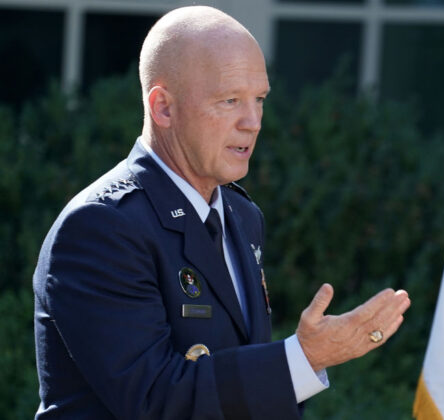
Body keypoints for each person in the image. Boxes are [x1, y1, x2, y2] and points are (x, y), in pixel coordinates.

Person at [32, 6, 410, 419]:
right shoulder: (100, 226)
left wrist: (303, 362)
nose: (252, 122)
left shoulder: (241, 215)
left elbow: (235, 391)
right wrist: (303, 359)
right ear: (163, 109)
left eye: (259, 99)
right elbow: (156, 399)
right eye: (229, 100)